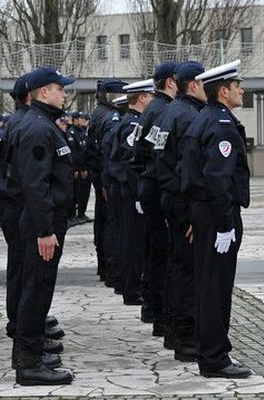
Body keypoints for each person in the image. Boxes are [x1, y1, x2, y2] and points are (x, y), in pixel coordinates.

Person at [180, 59, 252, 379]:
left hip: (205, 213)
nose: (242, 90)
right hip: (216, 215)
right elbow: (218, 180)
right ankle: (214, 358)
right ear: (224, 91)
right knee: (215, 288)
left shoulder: (204, 118)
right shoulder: (220, 124)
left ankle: (212, 348)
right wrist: (223, 225)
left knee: (210, 284)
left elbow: (194, 174)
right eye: (237, 86)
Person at [13, 67, 75, 386]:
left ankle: (31, 352)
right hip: (44, 224)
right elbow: (36, 185)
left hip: (48, 220)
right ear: (42, 93)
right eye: (59, 88)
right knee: (36, 291)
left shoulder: (44, 124)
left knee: (39, 289)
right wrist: (45, 230)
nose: (64, 93)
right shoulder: (37, 128)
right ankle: (28, 364)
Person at [155, 61, 207, 360]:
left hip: (170, 196)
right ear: (194, 85)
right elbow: (187, 167)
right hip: (181, 200)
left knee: (177, 266)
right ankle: (187, 336)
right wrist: (190, 213)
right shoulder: (188, 115)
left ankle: (176, 330)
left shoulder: (171, 111)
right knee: (187, 270)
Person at [133, 61, 178, 333]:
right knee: (162, 253)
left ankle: (152, 306)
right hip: (157, 185)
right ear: (171, 82)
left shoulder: (153, 108)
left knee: (155, 251)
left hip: (148, 183)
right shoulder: (164, 109)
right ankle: (160, 312)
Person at [108, 79, 154, 305]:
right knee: (133, 242)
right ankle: (132, 290)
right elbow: (129, 163)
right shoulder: (132, 124)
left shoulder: (132, 121)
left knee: (131, 240)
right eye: (151, 96)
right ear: (143, 97)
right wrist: (138, 194)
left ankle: (130, 286)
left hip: (126, 190)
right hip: (129, 191)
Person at [87, 80, 128, 283]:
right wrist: (105, 181)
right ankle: (111, 269)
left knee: (104, 222)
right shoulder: (111, 117)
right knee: (113, 225)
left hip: (100, 177)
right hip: (107, 179)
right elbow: (108, 154)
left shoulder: (98, 113)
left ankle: (105, 265)